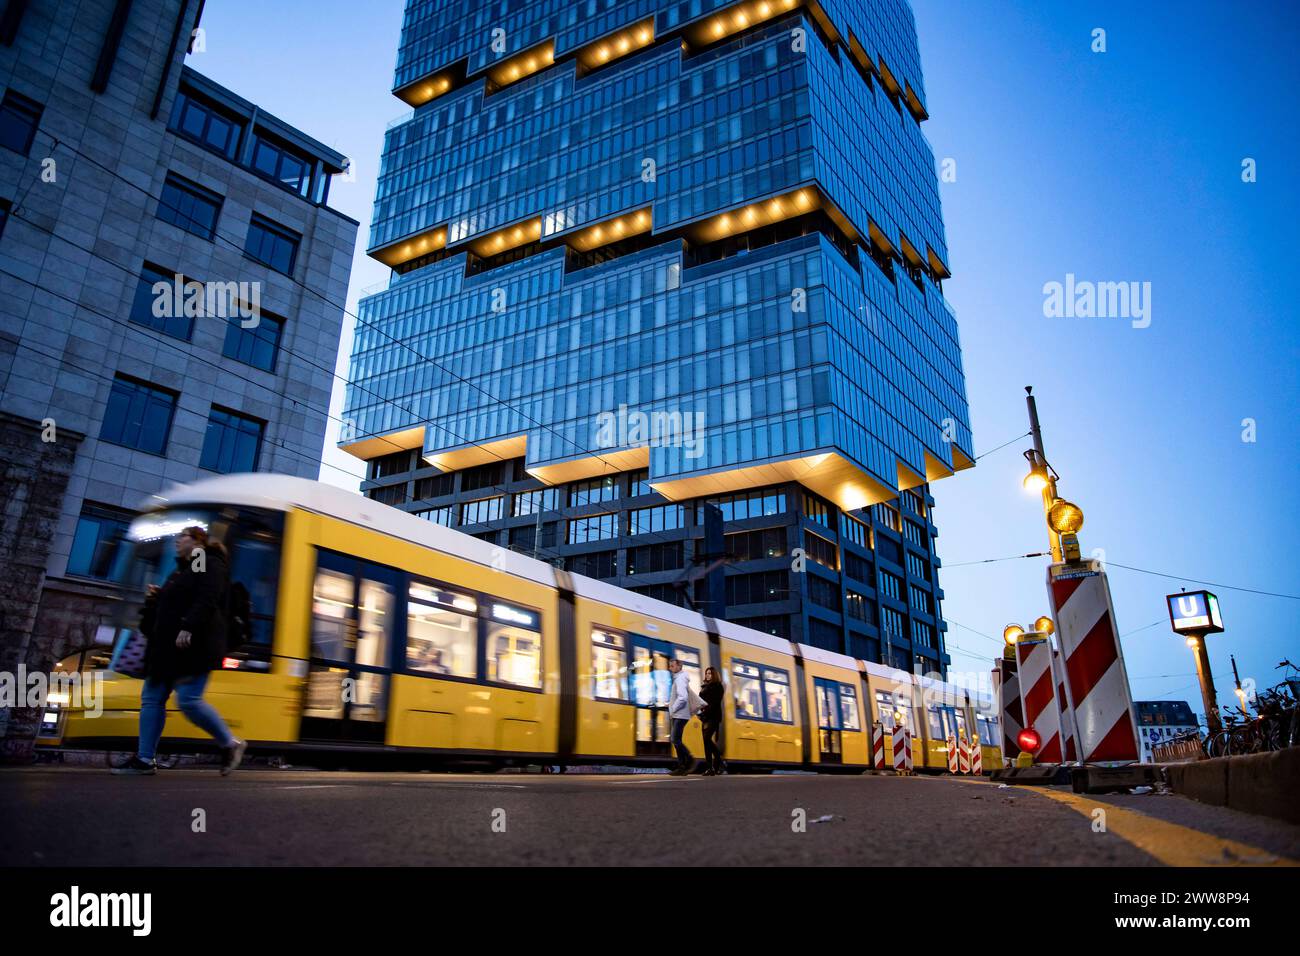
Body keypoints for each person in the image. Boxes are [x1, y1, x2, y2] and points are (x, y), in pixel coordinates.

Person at [114, 526, 247, 775]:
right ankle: (144, 759)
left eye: (182, 536)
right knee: (152, 699)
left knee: (188, 701)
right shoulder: (182, 569)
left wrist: (189, 626)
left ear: (197, 541)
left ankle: (230, 744)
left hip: (191, 647)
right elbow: (184, 598)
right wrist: (158, 597)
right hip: (166, 649)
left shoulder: (204, 561)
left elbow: (207, 596)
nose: (177, 541)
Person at [667, 658, 696, 776]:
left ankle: (689, 759)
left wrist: (673, 709)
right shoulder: (679, 678)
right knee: (676, 740)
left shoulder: (680, 678)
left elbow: (683, 698)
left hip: (680, 714)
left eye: (672, 666)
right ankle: (682, 767)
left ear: (679, 666)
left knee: (675, 739)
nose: (670, 668)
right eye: (670, 666)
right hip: (680, 714)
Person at [698, 666, 726, 775]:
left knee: (707, 738)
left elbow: (714, 703)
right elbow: (701, 701)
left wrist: (704, 711)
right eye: (706, 673)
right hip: (705, 717)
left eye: (709, 673)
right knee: (706, 742)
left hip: (713, 716)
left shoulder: (718, 687)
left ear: (714, 675)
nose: (707, 675)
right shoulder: (704, 687)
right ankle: (710, 768)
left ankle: (719, 760)